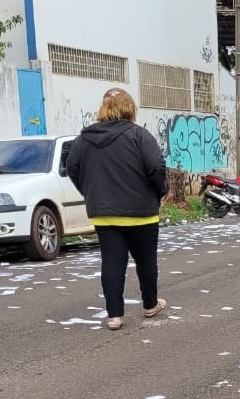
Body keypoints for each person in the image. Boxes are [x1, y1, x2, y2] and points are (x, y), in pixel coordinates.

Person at [66, 87, 168, 331]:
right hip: (141, 212)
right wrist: (160, 190)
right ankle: (150, 305)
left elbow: (72, 168)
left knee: (112, 262)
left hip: (104, 214)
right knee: (146, 261)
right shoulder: (139, 135)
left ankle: (114, 316)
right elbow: (156, 166)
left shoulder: (84, 139)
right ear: (130, 108)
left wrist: (91, 193)